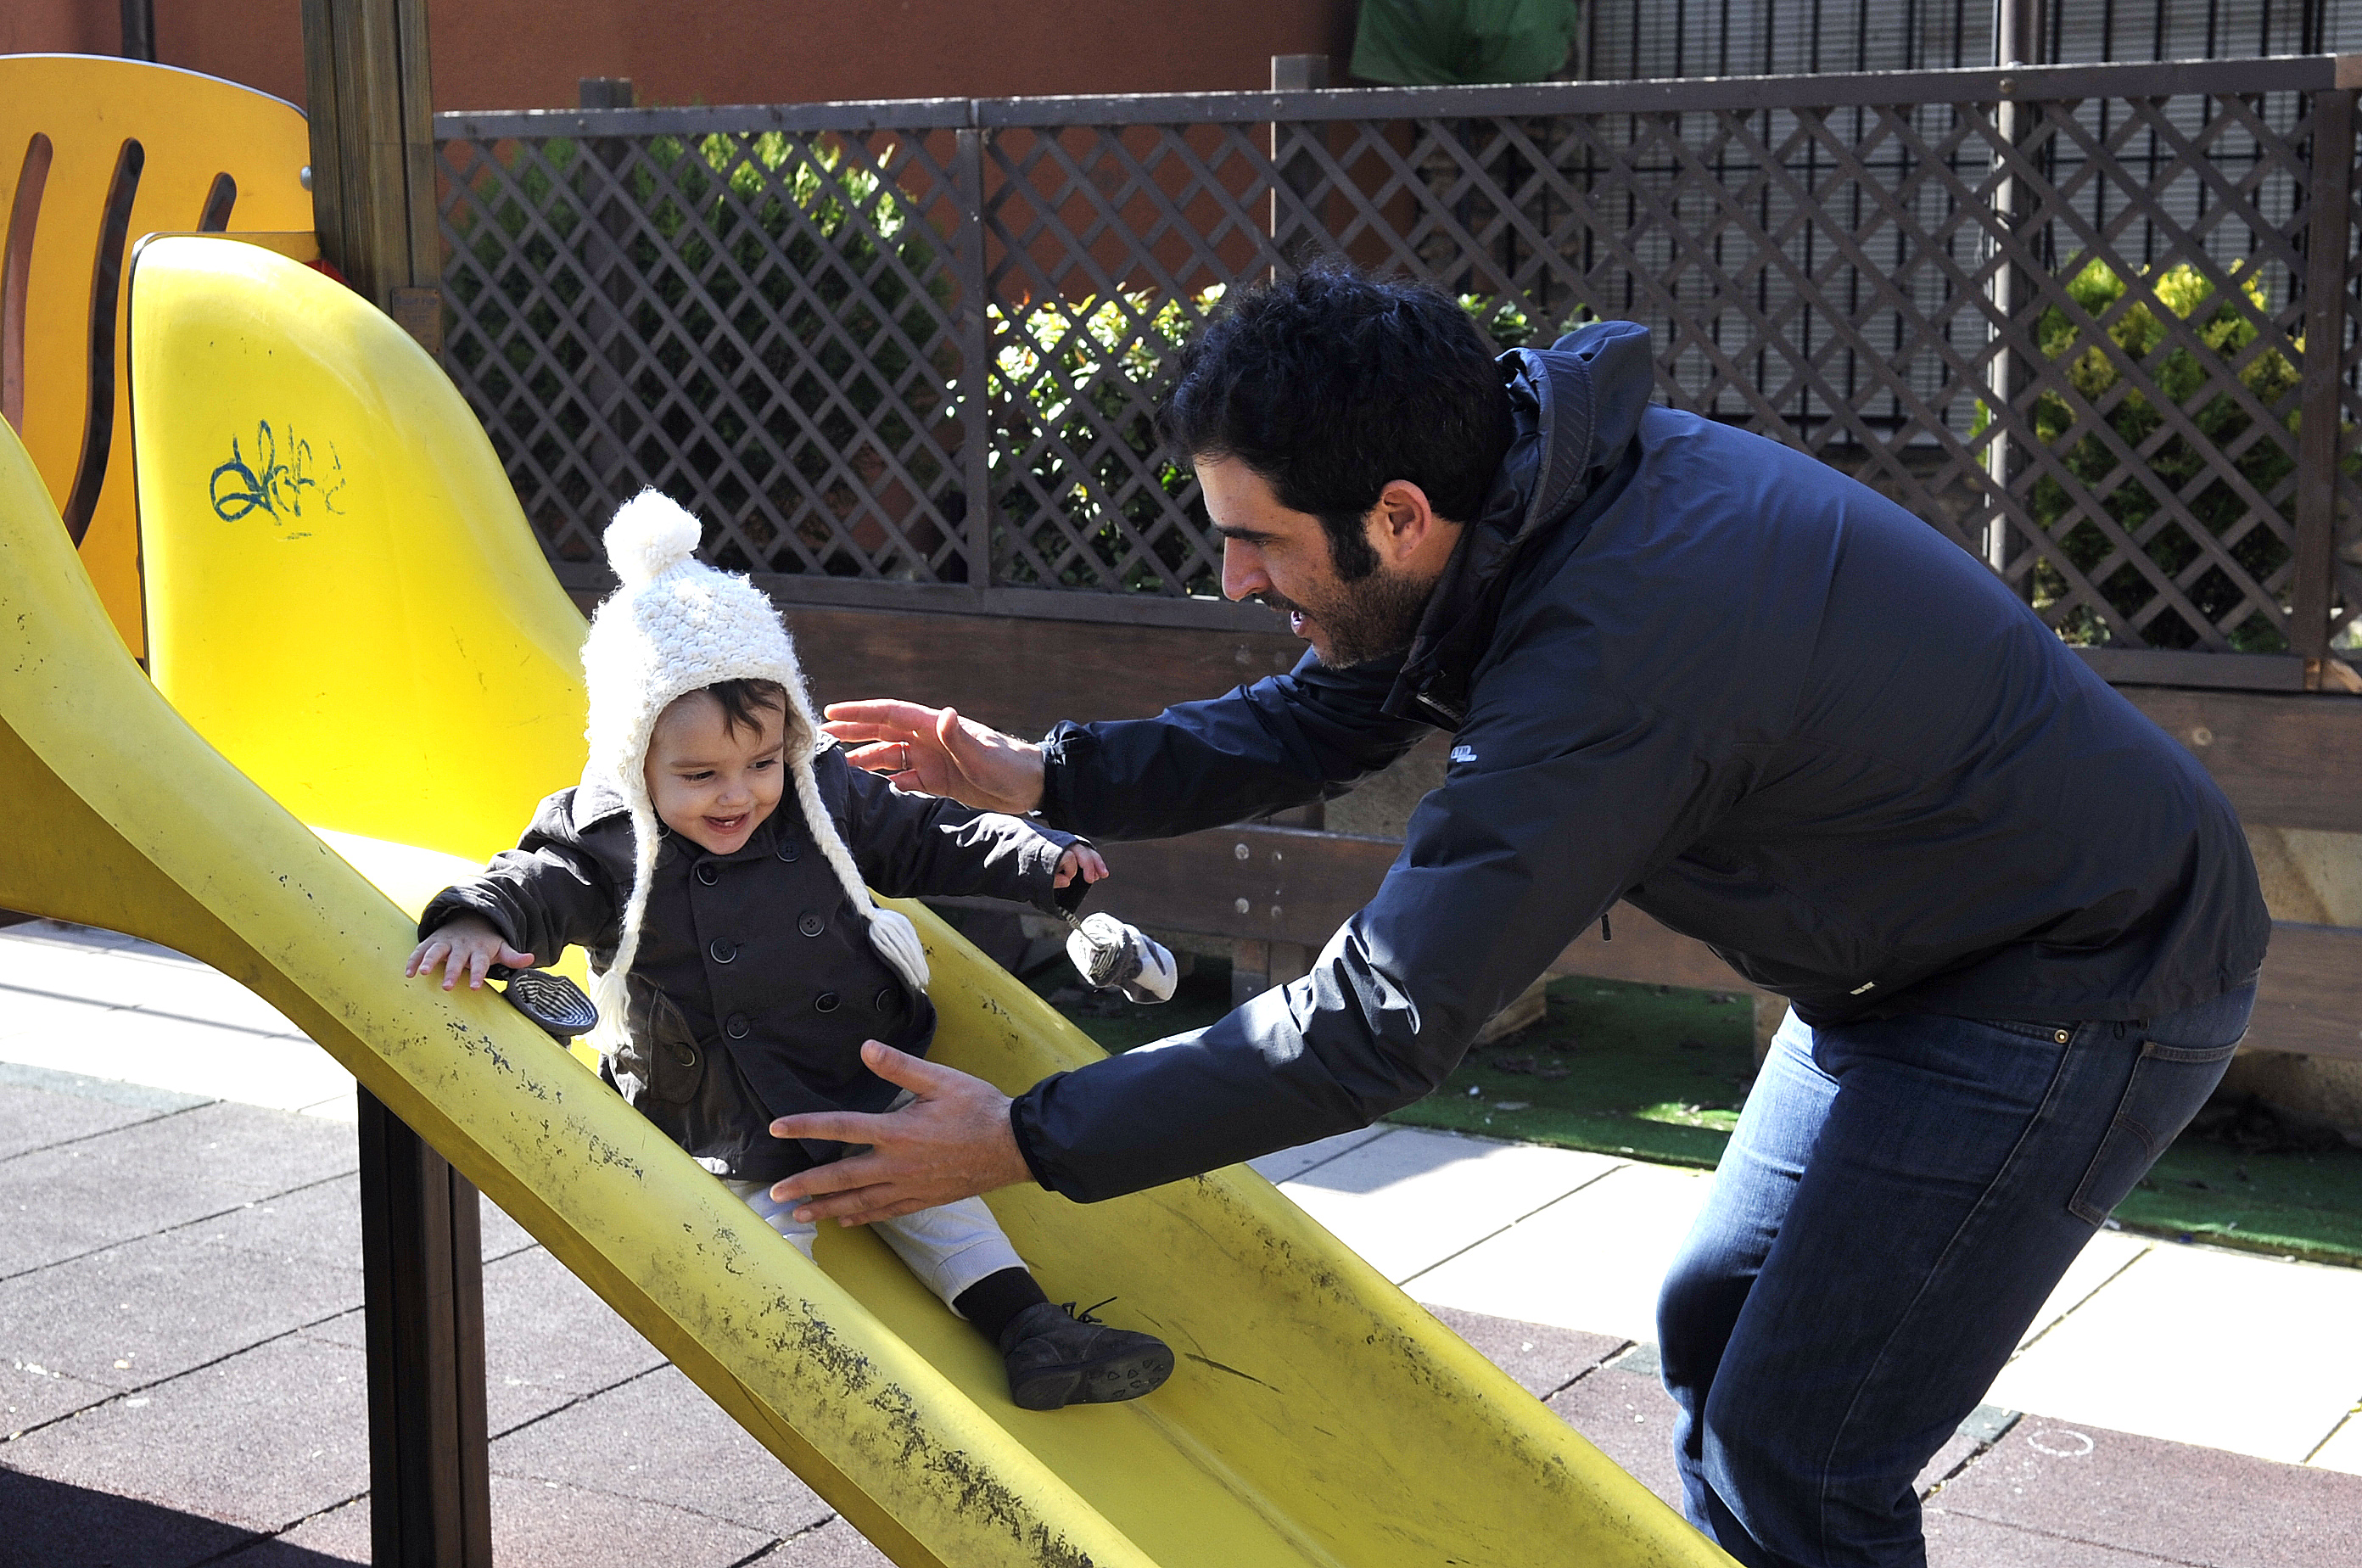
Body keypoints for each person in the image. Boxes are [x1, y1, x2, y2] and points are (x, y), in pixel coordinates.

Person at [764, 267, 2269, 1565]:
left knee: (1801, 1446)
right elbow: (1334, 706)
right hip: (1913, 958)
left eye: (1257, 540)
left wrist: (1026, 1139)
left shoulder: (1616, 647)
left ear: (1398, 516)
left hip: (2074, 979)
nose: (1229, 577)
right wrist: (1050, 773)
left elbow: (1377, 1022)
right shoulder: (1535, 490)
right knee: (1715, 1333)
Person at [405, 490, 1174, 1412]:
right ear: (632, 758)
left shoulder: (820, 793)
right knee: (767, 1251)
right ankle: (828, 1387)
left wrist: (1038, 857)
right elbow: (538, 881)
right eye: (700, 775)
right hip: (720, 1104)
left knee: (939, 1196)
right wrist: (476, 919)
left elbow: (926, 834)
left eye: (761, 762)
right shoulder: (606, 836)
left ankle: (1031, 1330)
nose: (737, 795)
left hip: (854, 1065)